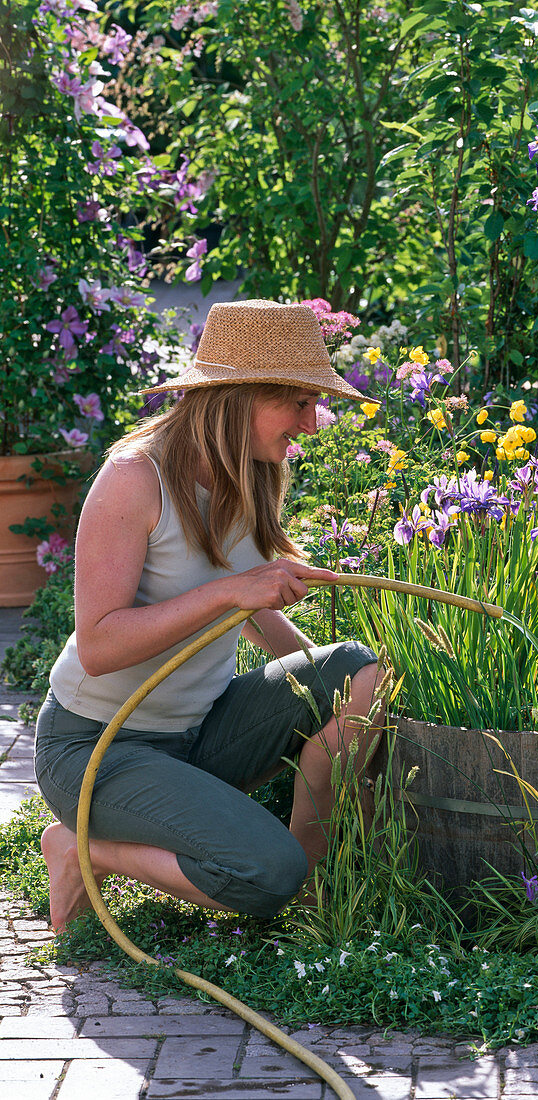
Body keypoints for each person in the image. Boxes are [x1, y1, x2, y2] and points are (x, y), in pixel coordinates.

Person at [35, 300, 382, 933]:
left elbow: (255, 610)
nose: (312, 423)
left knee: (356, 669)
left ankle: (305, 881)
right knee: (263, 872)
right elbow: (100, 647)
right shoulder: (136, 478)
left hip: (197, 733)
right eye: (300, 402)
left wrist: (322, 687)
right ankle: (82, 849)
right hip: (97, 751)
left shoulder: (248, 473)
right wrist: (232, 593)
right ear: (242, 396)